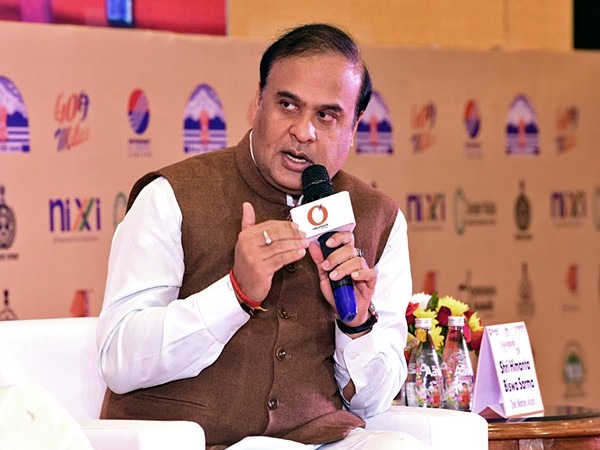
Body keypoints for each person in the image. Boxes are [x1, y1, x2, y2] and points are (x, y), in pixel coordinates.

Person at [97, 23, 420, 450]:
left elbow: (375, 400)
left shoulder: (379, 217)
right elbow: (119, 359)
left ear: (355, 126)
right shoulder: (171, 196)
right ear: (258, 102)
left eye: (326, 116)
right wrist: (235, 294)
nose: (303, 131)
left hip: (318, 440)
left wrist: (356, 323)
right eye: (288, 105)